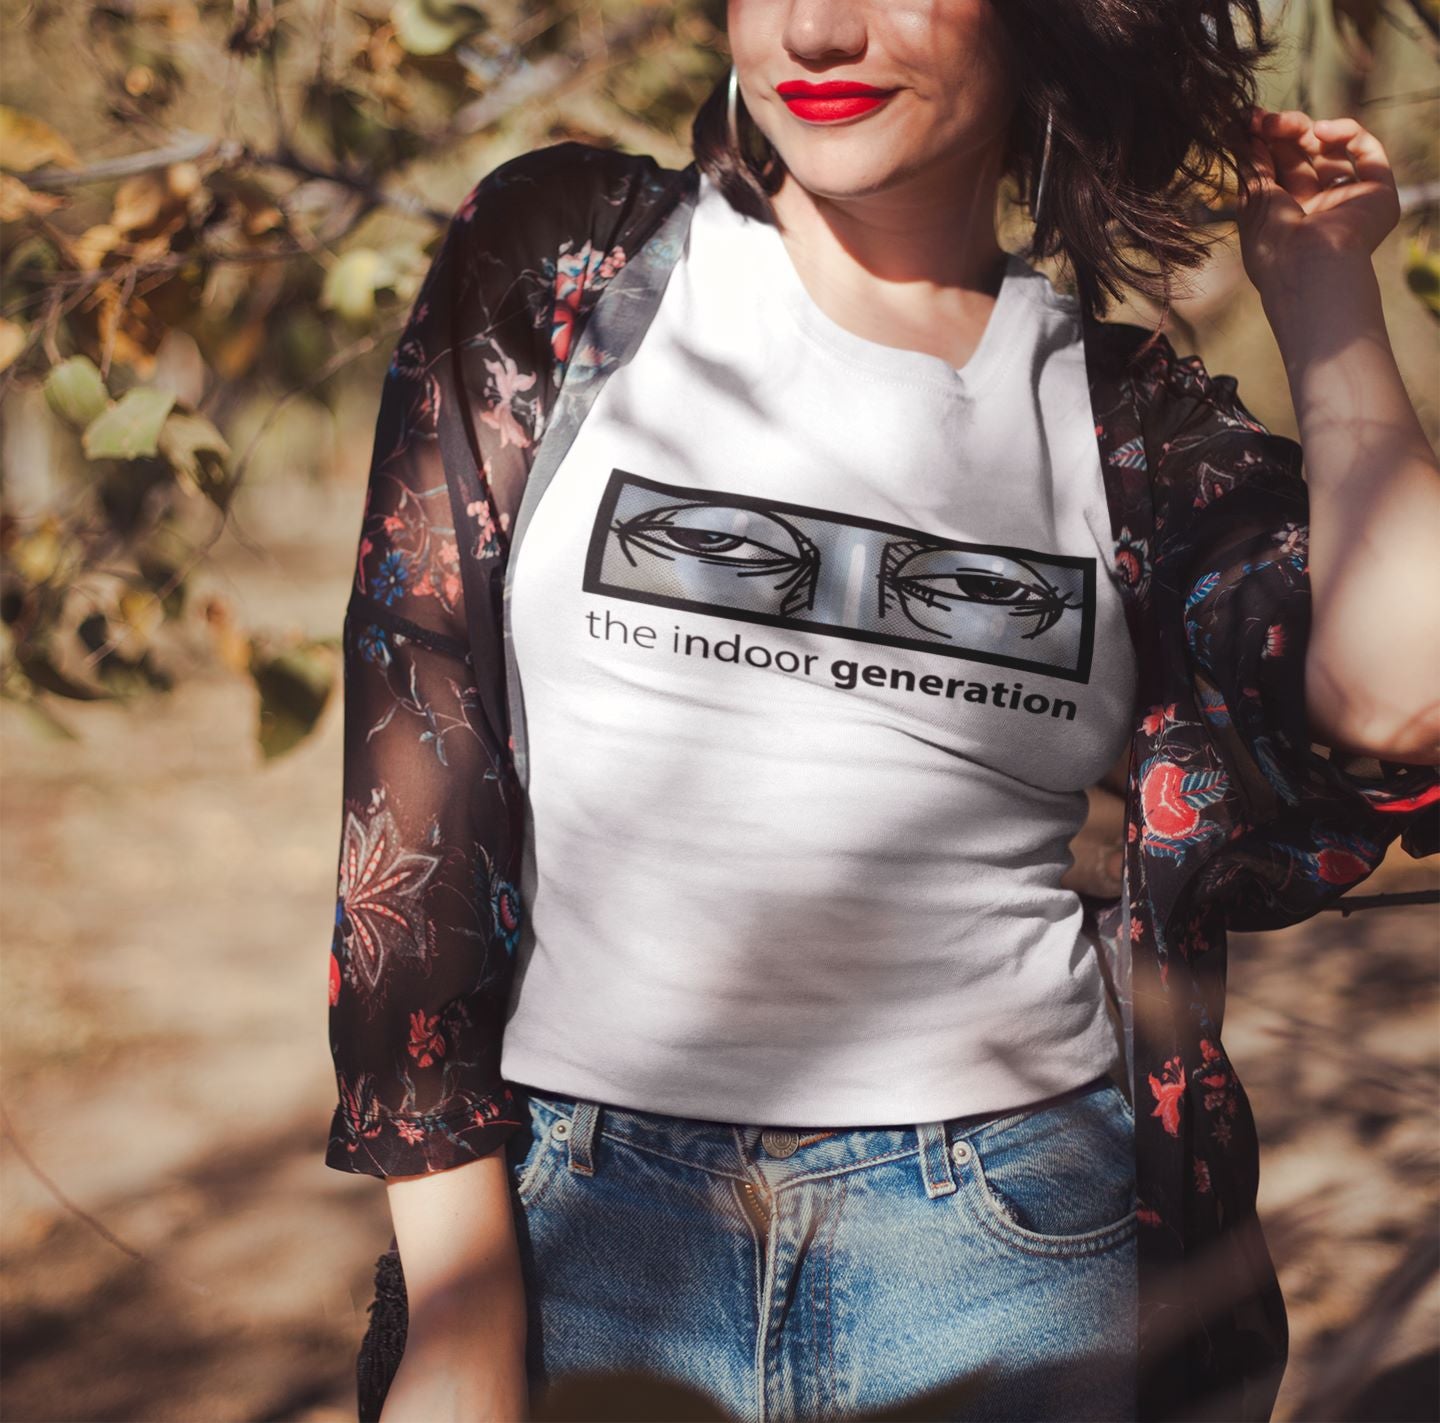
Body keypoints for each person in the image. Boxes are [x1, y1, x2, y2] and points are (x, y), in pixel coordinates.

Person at [324, 2, 1440, 1420]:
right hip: (586, 1231)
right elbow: (418, 738)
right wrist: (463, 1297)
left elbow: (1403, 695)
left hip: (1009, 1244)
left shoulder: (1126, 429)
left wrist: (1325, 296)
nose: (819, 28)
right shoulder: (570, 270)